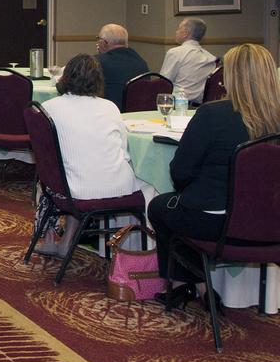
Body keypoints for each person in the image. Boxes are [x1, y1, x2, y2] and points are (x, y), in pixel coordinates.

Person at [148, 43, 280, 309]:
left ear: (231, 76)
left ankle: (194, 285)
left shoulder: (212, 114)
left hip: (216, 225)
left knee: (160, 207)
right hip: (271, 223)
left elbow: (180, 173)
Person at [39, 55, 153, 252]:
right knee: (152, 184)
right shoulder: (111, 107)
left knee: (50, 177)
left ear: (65, 77)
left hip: (71, 191)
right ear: (99, 80)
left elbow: (47, 158)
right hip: (116, 188)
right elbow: (124, 153)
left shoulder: (49, 109)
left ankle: (51, 240)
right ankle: (145, 250)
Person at [159, 18, 217, 104]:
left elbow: (163, 84)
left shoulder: (175, 53)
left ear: (185, 34)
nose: (176, 31)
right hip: (202, 107)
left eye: (179, 28)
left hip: (177, 106)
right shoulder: (211, 58)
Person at [95, 23, 149, 109]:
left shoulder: (96, 63)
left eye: (98, 39)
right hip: (139, 114)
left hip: (110, 114)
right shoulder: (141, 62)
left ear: (104, 43)